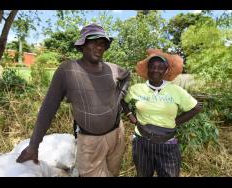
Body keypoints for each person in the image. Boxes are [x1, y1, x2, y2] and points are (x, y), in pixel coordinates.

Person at [16, 23, 130, 177]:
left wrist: (118, 98)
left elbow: (127, 76)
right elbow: (48, 109)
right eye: (93, 42)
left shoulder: (112, 68)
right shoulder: (68, 70)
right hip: (90, 142)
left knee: (113, 172)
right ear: (82, 45)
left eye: (102, 43)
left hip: (117, 134)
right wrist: (33, 146)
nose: (99, 47)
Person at [121, 49, 202, 177]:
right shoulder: (136, 89)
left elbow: (196, 107)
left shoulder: (175, 90)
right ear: (147, 69)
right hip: (142, 142)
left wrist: (176, 121)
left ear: (166, 71)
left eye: (160, 67)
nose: (155, 70)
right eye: (152, 67)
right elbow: (123, 101)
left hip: (167, 144)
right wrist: (129, 115)